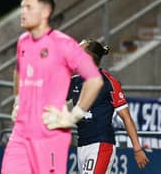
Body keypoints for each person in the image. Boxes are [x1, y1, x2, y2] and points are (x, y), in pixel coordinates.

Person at [1, 0, 104, 174]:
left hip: (49, 134)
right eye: (22, 6)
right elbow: (19, 71)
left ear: (45, 13)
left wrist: (74, 115)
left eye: (28, 7)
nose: (22, 12)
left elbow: (94, 79)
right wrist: (17, 100)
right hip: (21, 133)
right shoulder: (23, 41)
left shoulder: (63, 44)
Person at [48, 39, 150, 173]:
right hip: (82, 145)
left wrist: (137, 149)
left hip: (101, 144)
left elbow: (126, 118)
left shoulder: (109, 83)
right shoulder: (74, 82)